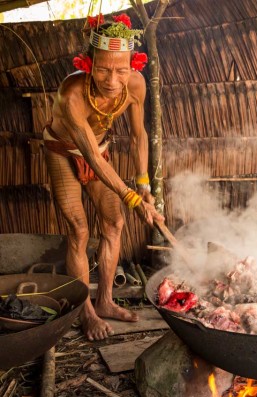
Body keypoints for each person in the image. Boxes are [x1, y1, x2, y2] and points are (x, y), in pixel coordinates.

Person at [43, 12, 164, 341]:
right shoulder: (72, 95)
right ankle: (87, 313)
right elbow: (92, 158)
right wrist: (132, 198)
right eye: (103, 69)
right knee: (79, 230)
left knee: (114, 223)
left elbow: (139, 137)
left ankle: (106, 301)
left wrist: (144, 187)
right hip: (64, 152)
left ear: (133, 65)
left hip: (100, 152)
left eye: (121, 70)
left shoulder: (135, 85)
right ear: (87, 64)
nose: (112, 80)